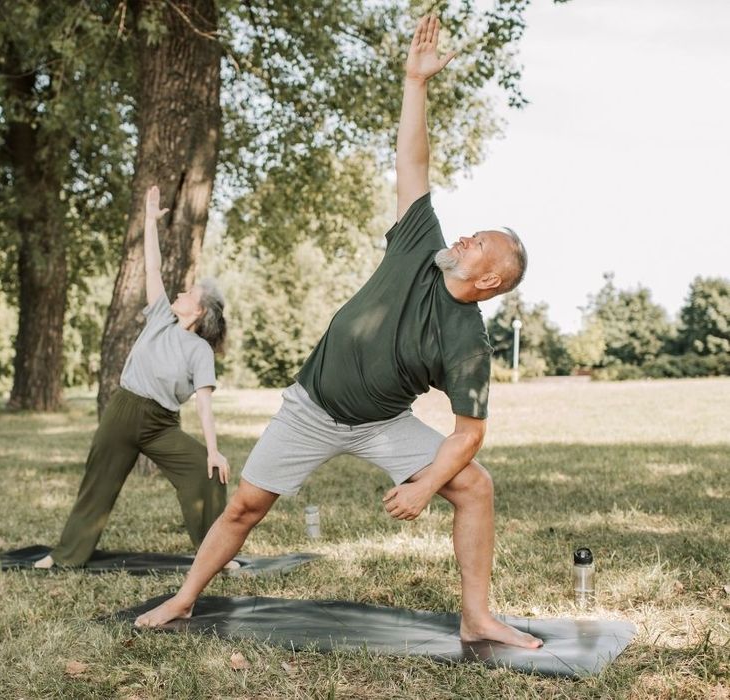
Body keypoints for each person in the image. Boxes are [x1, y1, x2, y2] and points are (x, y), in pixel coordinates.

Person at [133, 15, 542, 649]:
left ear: (489, 280)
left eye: (479, 242)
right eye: (472, 231)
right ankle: (184, 601)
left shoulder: (467, 341)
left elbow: (470, 434)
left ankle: (477, 617)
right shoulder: (420, 244)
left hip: (380, 422)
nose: (465, 236)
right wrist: (415, 82)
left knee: (475, 486)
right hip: (311, 406)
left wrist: (426, 485)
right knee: (244, 507)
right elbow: (412, 158)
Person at [33, 185, 230, 569]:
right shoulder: (160, 316)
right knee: (97, 483)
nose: (179, 291)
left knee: (206, 473)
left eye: (188, 292)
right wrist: (149, 221)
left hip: (161, 425)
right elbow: (152, 266)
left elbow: (204, 405)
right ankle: (66, 556)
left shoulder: (199, 351)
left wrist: (213, 450)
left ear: (199, 312)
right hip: (124, 411)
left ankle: (216, 557)